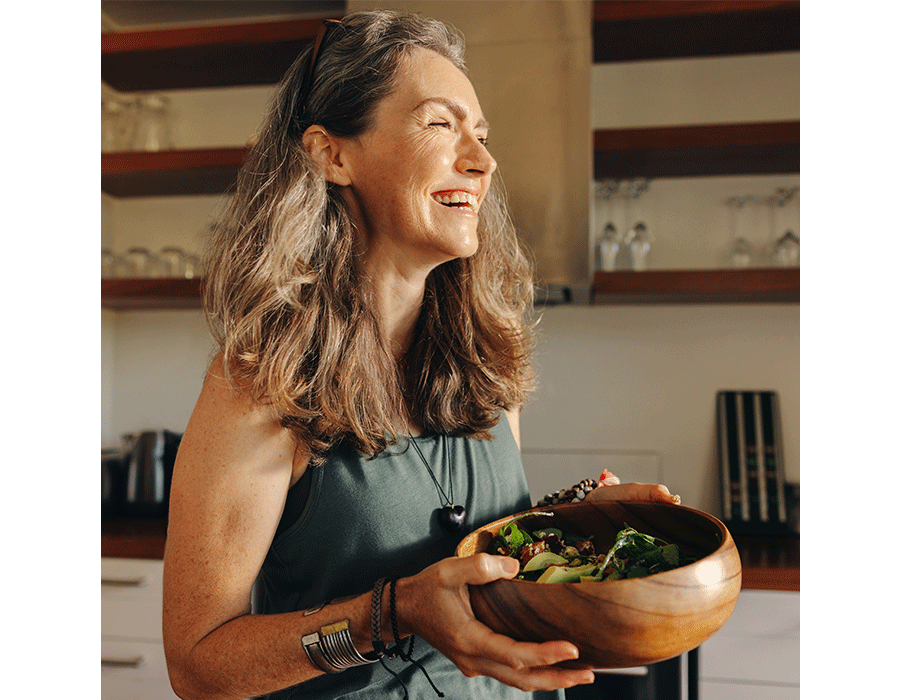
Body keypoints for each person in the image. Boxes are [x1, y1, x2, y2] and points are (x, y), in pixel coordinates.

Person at [162, 10, 680, 700]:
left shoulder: (486, 361)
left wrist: (583, 518)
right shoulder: (262, 382)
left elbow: (488, 555)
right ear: (333, 154)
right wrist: (394, 612)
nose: (482, 159)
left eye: (483, 135)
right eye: (441, 124)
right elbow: (198, 667)